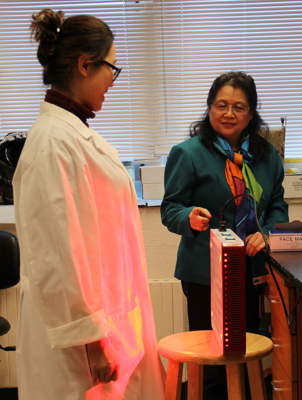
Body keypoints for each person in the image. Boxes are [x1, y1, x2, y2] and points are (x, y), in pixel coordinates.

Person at [13, 9, 165, 400]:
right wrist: (92, 342)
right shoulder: (51, 144)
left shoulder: (72, 133)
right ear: (84, 64)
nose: (113, 82)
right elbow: (55, 256)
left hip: (109, 321)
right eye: (111, 69)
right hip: (82, 346)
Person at [161, 71, 288, 399]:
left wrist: (270, 233)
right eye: (221, 105)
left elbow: (276, 205)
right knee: (214, 358)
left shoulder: (267, 155)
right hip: (205, 272)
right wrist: (188, 217)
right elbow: (171, 209)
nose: (229, 113)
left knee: (244, 353)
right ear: (209, 108)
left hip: (251, 268)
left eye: (239, 107)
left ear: (251, 113)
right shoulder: (187, 153)